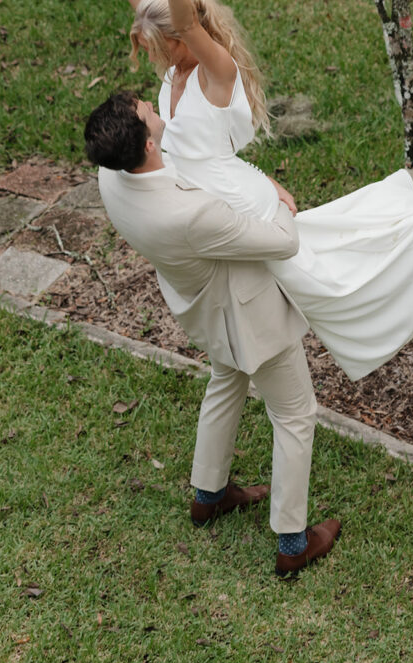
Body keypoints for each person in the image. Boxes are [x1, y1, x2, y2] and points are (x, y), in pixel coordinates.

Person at [79, 0, 413, 380]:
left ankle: (409, 267)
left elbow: (183, 21)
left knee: (323, 283)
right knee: (296, 283)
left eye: (160, 46)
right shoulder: (176, 58)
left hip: (237, 204)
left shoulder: (216, 70)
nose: (153, 55)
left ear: (183, 37)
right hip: (216, 193)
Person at [84, 91, 341, 577]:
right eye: (147, 111)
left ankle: (210, 496)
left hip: (201, 307)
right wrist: (278, 198)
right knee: (294, 415)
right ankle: (292, 541)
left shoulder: (110, 176)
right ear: (149, 147)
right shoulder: (191, 214)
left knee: (226, 382)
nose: (151, 108)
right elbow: (284, 241)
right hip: (248, 316)